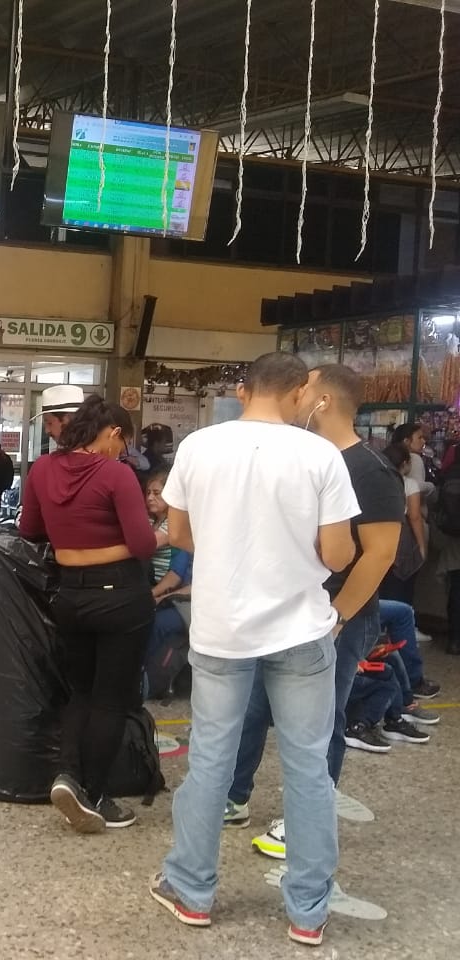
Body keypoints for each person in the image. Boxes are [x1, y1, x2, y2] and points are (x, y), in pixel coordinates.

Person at [150, 353, 358, 947]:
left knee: (211, 761)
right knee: (308, 769)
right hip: (300, 632)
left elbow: (183, 535)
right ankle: (308, 914)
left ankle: (191, 891)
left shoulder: (200, 447)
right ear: (297, 394)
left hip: (220, 632)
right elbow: (340, 555)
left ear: (246, 391)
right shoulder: (320, 455)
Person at [223, 363, 403, 857]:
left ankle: (303, 822)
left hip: (338, 617)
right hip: (287, 610)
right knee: (256, 706)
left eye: (303, 388)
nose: (294, 395)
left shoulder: (369, 469)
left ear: (321, 400)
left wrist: (338, 617)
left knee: (321, 720)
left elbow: (380, 553)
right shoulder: (305, 456)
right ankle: (233, 796)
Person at [20, 395, 157, 831]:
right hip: (120, 597)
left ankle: (67, 776)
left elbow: (29, 529)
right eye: (124, 442)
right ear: (113, 433)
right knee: (111, 700)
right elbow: (142, 544)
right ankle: (98, 795)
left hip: (70, 598)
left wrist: (73, 541)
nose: (123, 452)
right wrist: (169, 534)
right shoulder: (116, 475)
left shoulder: (42, 469)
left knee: (80, 693)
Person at [380, 442, 427, 606]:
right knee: (400, 587)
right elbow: (414, 517)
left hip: (378, 537)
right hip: (401, 539)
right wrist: (421, 546)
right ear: (405, 464)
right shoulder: (410, 484)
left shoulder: (377, 481)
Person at [145, 471, 174, 585]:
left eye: (156, 493)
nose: (150, 498)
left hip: (160, 584)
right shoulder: (150, 519)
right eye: (148, 493)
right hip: (145, 579)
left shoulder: (173, 522)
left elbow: (146, 545)